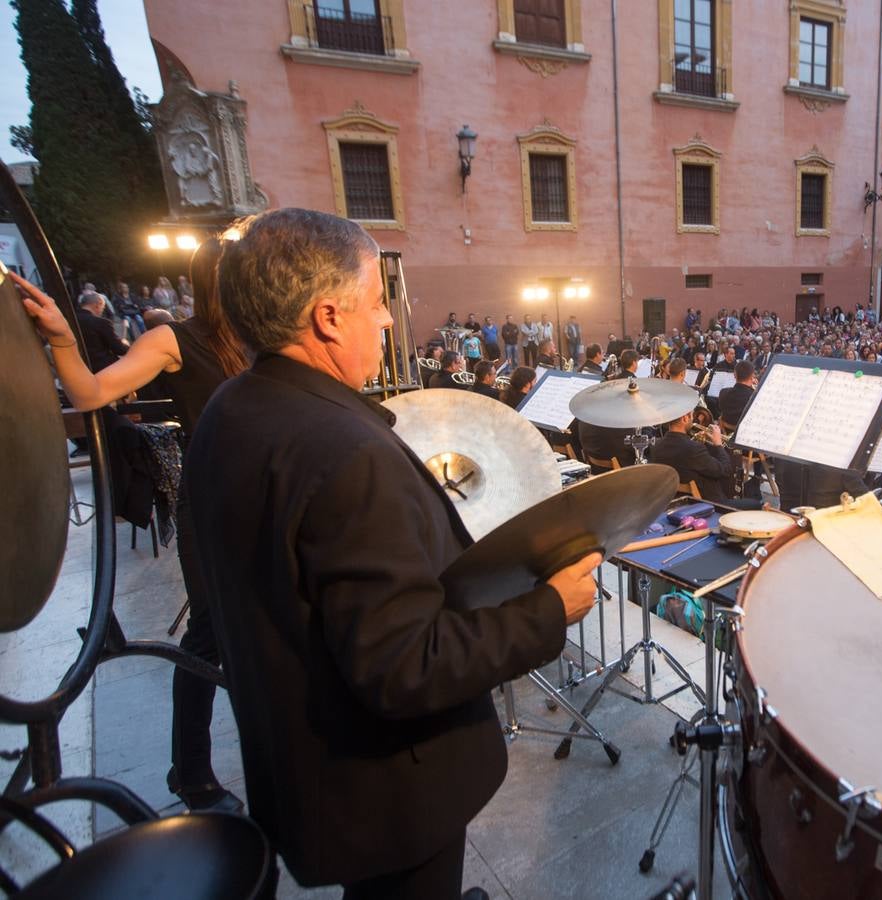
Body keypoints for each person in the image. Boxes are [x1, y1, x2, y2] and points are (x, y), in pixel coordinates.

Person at [185, 208, 601, 897]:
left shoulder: (229, 411)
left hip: (308, 771)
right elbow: (405, 666)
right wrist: (550, 609)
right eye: (377, 303)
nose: (386, 321)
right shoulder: (346, 454)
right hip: (388, 792)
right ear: (327, 317)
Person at [17, 238, 250, 814]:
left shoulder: (262, 336)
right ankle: (191, 772)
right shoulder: (175, 338)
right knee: (210, 636)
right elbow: (92, 391)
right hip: (214, 498)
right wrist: (64, 339)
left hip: (265, 496)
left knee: (262, 629)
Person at [648, 411, 740, 503]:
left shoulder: (657, 445)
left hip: (679, 499)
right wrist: (718, 443)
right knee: (754, 503)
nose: (693, 420)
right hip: (710, 504)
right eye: (692, 416)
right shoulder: (693, 448)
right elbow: (725, 470)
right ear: (685, 418)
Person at [73, 290, 129, 372]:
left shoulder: (69, 321)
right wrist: (125, 344)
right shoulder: (101, 322)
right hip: (104, 368)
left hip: (79, 369)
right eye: (103, 308)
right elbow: (119, 349)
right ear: (97, 305)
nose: (102, 311)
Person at [717, 360, 757, 429]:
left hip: (725, 431)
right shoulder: (755, 397)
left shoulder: (723, 392)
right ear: (752, 376)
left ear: (734, 375)